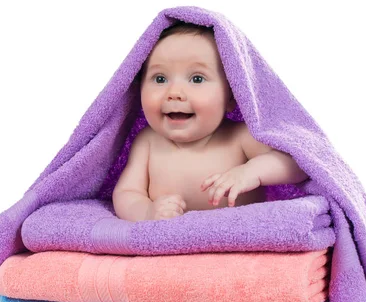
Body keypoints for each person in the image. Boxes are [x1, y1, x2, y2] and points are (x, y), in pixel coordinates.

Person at [113, 23, 308, 221]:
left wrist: (251, 172)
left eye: (197, 79)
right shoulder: (148, 141)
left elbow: (297, 165)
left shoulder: (240, 138)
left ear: (232, 97)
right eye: (160, 78)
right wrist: (147, 212)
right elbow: (127, 192)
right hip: (175, 246)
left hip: (236, 241)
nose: (174, 93)